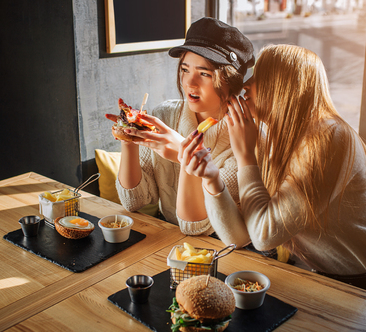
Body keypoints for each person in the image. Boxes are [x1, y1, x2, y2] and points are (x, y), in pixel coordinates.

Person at [179, 44, 366, 314]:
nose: (247, 84)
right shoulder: (275, 140)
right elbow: (240, 237)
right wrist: (211, 180)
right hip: (336, 285)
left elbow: (264, 236)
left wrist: (245, 156)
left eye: (260, 76)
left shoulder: (329, 138)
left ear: (283, 86)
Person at [105, 17, 255, 235]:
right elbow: (134, 201)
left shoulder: (246, 137)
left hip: (220, 249)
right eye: (185, 69)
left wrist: (183, 154)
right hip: (165, 236)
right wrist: (130, 137)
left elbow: (197, 228)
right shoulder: (164, 114)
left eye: (204, 73)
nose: (189, 83)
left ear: (230, 80)